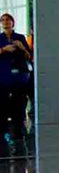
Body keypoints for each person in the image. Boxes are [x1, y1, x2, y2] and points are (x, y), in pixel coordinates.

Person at [0, 13, 32, 144]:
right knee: (2, 103)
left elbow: (28, 56)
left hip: (19, 77)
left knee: (19, 103)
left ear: (13, 22)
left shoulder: (19, 37)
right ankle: (3, 130)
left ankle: (18, 131)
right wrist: (3, 49)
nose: (6, 22)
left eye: (8, 20)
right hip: (3, 75)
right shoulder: (0, 38)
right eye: (3, 20)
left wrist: (22, 47)